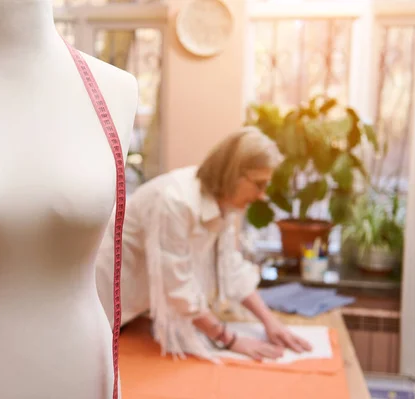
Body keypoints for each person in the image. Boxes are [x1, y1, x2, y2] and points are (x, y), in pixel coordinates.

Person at [96, 126, 312, 361]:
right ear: (233, 174)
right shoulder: (174, 201)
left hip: (134, 312)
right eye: (259, 184)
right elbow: (177, 285)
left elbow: (231, 266)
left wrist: (271, 322)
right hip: (106, 310)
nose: (262, 195)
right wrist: (230, 339)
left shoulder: (223, 203)